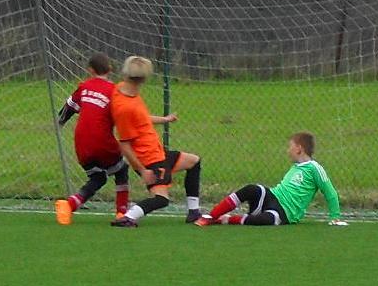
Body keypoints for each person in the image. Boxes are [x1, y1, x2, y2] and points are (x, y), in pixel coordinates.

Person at [109, 56, 202, 227]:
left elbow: (141, 119)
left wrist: (165, 119)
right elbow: (124, 145)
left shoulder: (121, 89)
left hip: (157, 152)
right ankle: (128, 218)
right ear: (144, 78)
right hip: (149, 159)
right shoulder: (126, 108)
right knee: (161, 199)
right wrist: (143, 170)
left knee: (193, 161)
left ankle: (194, 212)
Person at [195, 132, 346, 226]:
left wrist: (335, 218)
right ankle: (211, 215)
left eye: (290, 147)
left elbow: (330, 193)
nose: (288, 151)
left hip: (285, 213)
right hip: (272, 196)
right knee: (252, 189)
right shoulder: (295, 167)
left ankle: (227, 219)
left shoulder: (314, 168)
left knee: (266, 220)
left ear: (299, 149)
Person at [54, 53, 129, 224]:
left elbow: (68, 107)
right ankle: (122, 212)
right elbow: (122, 116)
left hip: (81, 143)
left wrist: (60, 122)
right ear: (110, 69)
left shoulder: (84, 86)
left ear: (90, 70)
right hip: (102, 141)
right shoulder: (114, 91)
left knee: (98, 178)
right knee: (121, 170)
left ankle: (69, 205)